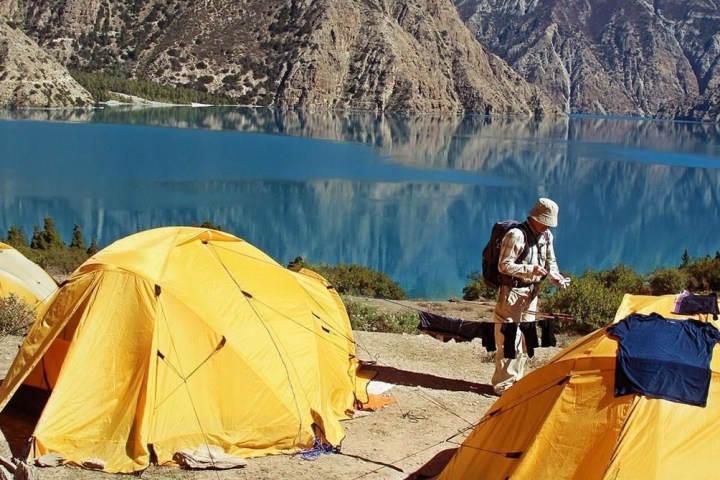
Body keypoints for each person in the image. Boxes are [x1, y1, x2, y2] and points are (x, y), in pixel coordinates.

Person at [491, 197, 569, 395]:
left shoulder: (546, 236)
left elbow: (550, 261)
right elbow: (504, 265)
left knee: (525, 337)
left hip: (532, 293)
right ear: (535, 218)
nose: (547, 226)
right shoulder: (516, 235)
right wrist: (529, 269)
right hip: (512, 293)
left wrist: (555, 277)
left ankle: (518, 381)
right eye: (545, 222)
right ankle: (504, 385)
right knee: (510, 338)